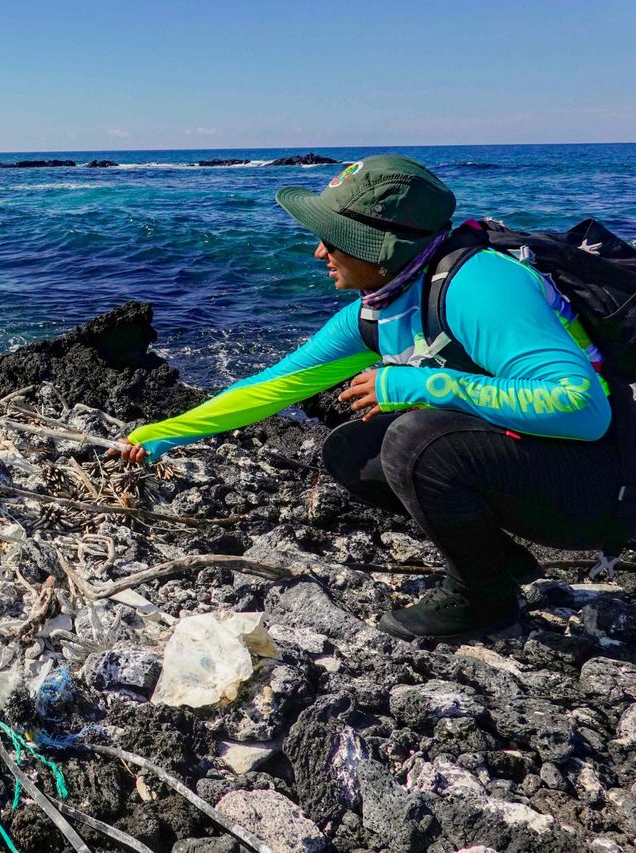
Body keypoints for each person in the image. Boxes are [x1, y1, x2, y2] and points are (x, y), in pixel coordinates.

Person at [113, 154, 630, 642]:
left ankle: (483, 598)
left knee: (417, 440)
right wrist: (161, 435)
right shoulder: (382, 305)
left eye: (332, 240)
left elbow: (581, 407)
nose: (319, 252)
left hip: (610, 489)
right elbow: (274, 385)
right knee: (352, 450)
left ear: (378, 245)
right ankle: (497, 563)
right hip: (550, 466)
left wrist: (421, 385)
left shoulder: (480, 285)